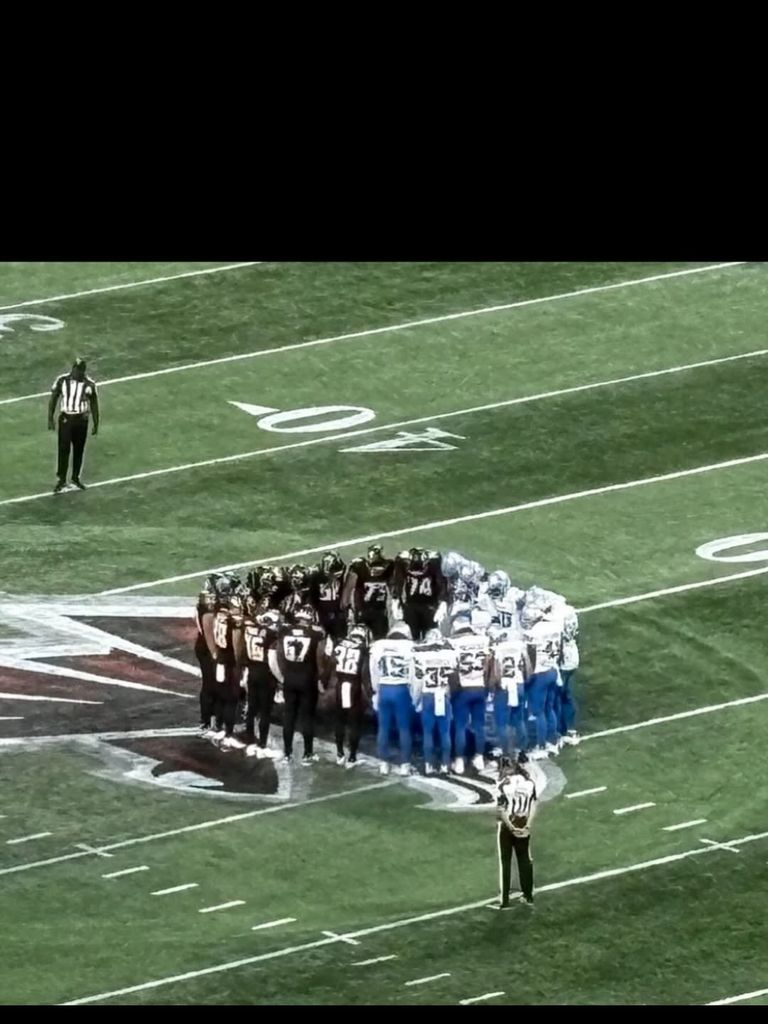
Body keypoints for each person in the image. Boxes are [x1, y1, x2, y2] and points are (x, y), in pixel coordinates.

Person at [491, 753, 537, 910]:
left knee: (505, 862)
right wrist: (527, 826)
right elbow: (533, 806)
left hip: (508, 826)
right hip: (524, 823)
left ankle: (504, 899)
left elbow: (501, 811)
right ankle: (528, 895)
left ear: (506, 768)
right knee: (525, 860)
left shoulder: (503, 785)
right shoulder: (529, 783)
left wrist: (511, 827)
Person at [48, 357, 99, 492]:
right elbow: (54, 398)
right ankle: (61, 479)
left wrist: (96, 422)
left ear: (83, 371)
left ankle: (75, 478)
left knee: (78, 449)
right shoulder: (62, 380)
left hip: (81, 420)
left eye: (79, 370)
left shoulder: (89, 384)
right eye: (75, 369)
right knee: (64, 448)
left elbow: (94, 403)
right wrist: (50, 418)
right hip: (66, 419)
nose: (76, 373)